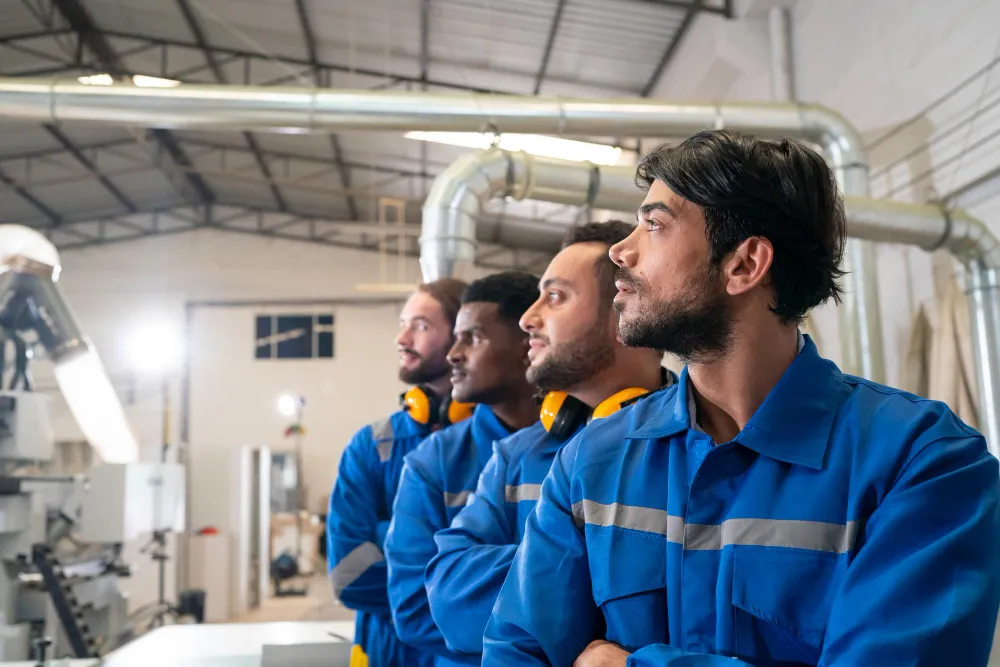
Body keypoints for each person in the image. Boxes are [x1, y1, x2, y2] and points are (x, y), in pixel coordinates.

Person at [482, 130, 1000, 667]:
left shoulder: (922, 463)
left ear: (744, 265)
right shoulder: (592, 461)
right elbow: (516, 652)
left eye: (654, 225)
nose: (620, 250)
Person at [425, 221, 673, 662]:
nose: (528, 319)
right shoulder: (515, 457)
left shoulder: (700, 446)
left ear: (625, 310)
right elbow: (450, 599)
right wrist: (600, 570)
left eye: (555, 297)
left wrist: (541, 594)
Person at [385, 271, 541, 667]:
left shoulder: (585, 448)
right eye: (455, 338)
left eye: (473, 338)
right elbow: (415, 610)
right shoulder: (433, 462)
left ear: (529, 343)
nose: (454, 354)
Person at [327, 278, 468, 667]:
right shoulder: (372, 446)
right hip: (387, 653)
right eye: (403, 324)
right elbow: (349, 576)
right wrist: (455, 578)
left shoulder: (499, 444)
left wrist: (389, 538)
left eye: (421, 326)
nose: (402, 338)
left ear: (462, 337)